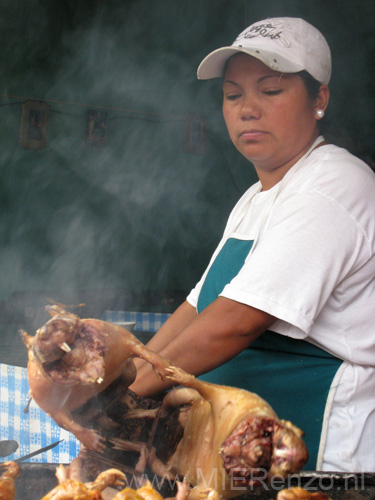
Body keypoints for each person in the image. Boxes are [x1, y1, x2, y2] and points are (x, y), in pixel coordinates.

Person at [130, 17, 375, 472]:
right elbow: (198, 308)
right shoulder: (253, 199)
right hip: (247, 461)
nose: (247, 109)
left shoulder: (335, 183)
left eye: (270, 90)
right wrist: (128, 382)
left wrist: (126, 398)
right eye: (233, 94)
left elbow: (235, 322)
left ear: (319, 98)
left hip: (324, 464)